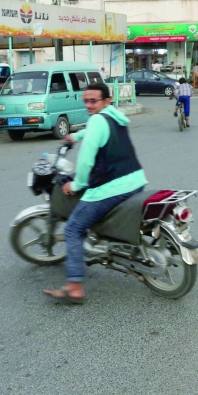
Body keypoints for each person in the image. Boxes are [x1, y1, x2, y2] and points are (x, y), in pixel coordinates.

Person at [44, 83, 148, 304]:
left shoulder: (97, 121)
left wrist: (76, 184)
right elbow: (97, 130)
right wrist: (76, 135)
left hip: (112, 187)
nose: (89, 105)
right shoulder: (115, 116)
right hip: (136, 180)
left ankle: (74, 287)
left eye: (94, 101)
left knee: (73, 229)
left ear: (106, 101)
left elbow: (85, 161)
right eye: (86, 101)